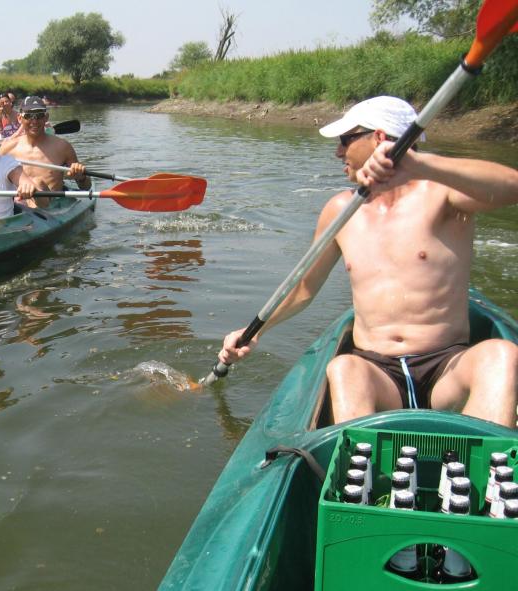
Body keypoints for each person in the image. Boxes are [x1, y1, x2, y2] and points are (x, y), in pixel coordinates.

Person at [219, 95, 518, 428]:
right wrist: (254, 332)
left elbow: (513, 187)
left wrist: (419, 165)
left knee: (502, 354)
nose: (338, 152)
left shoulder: (443, 194)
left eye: (345, 140)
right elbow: (303, 287)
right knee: (343, 368)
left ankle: (488, 455)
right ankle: (360, 458)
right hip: (377, 372)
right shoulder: (341, 210)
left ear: (378, 138)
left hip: (446, 367)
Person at [0, 95, 90, 195]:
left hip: (53, 203)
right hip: (19, 202)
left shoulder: (63, 147)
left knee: (38, 183)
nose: (34, 121)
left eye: (39, 115)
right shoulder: (7, 149)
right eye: (28, 116)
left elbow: (86, 187)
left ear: (46, 117)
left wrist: (82, 177)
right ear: (20, 118)